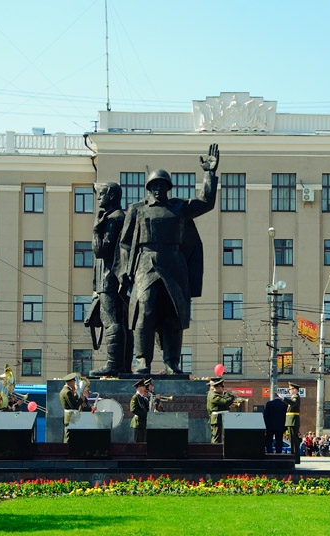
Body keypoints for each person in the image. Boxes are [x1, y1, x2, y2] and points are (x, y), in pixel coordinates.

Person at [115, 144, 220, 374]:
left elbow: (207, 202)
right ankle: (142, 360)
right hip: (146, 262)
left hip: (174, 263)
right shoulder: (137, 209)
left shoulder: (179, 207)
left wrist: (209, 174)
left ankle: (172, 362)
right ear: (149, 188)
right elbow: (124, 242)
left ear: (169, 188)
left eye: (163, 185)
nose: (159, 189)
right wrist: (124, 269)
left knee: (174, 314)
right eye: (155, 185)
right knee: (146, 308)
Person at [88, 182, 132, 377]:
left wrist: (97, 229)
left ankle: (114, 364)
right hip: (115, 278)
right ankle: (122, 365)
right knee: (122, 322)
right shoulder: (120, 216)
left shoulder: (113, 218)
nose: (98, 198)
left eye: (102, 194)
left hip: (109, 278)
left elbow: (101, 250)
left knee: (111, 321)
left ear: (112, 196)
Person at [206, 377, 236, 443]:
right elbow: (225, 402)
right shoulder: (213, 395)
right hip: (217, 419)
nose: (223, 388)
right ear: (216, 387)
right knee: (217, 438)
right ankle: (214, 451)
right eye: (222, 386)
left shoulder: (217, 394)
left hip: (221, 418)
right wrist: (232, 396)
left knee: (224, 438)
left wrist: (227, 394)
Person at [59, 373, 82, 443]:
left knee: (70, 435)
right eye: (74, 381)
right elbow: (74, 405)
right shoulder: (67, 392)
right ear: (70, 382)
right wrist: (81, 399)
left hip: (70, 416)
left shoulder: (66, 390)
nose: (75, 382)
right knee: (68, 437)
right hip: (70, 416)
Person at [284, 382, 301, 464]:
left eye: (290, 389)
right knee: (292, 441)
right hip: (291, 421)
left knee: (294, 441)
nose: (289, 391)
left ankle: (296, 458)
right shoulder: (293, 397)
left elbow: (293, 403)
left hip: (293, 421)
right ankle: (294, 457)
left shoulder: (296, 397)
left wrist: (284, 398)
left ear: (295, 390)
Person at [130, 378, 150, 443]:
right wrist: (145, 415)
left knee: (144, 441)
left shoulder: (142, 397)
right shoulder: (136, 397)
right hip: (138, 422)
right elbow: (133, 409)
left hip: (143, 423)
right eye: (143, 386)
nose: (145, 388)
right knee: (139, 442)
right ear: (139, 387)